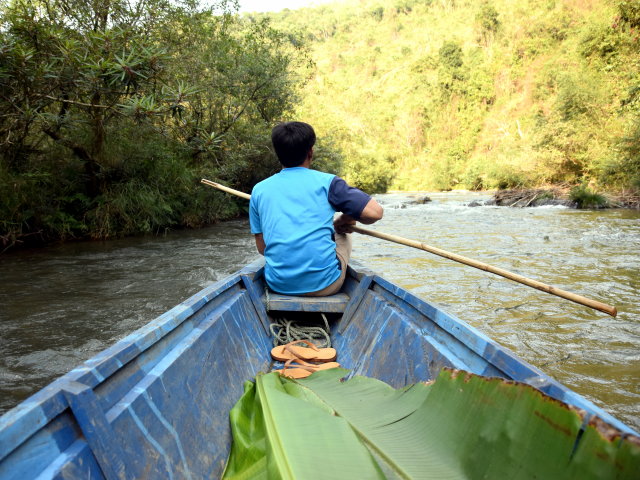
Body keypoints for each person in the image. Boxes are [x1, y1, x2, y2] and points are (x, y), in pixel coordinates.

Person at [249, 121, 383, 296]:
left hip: (278, 285)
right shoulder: (328, 183)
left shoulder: (259, 190)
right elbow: (375, 213)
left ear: (278, 153)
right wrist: (346, 220)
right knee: (341, 234)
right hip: (324, 286)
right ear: (310, 152)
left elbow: (262, 248)